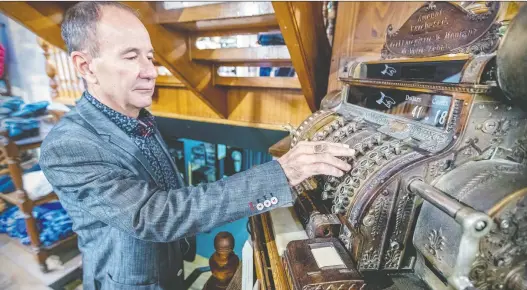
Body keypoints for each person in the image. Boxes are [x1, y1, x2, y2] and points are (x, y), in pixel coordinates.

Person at [39, 2, 355, 290]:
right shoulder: (69, 146)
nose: (150, 71)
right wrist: (280, 174)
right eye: (131, 56)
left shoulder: (138, 116)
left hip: (168, 268)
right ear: (85, 66)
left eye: (150, 56)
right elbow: (152, 216)